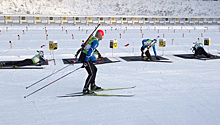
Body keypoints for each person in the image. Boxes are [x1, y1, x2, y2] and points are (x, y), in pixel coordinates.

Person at [78, 30, 104, 94]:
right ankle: (85, 89)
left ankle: (93, 85)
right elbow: (90, 50)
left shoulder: (93, 38)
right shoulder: (96, 41)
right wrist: (86, 61)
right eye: (102, 35)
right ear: (100, 35)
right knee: (91, 73)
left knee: (94, 69)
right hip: (85, 57)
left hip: (85, 56)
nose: (103, 37)